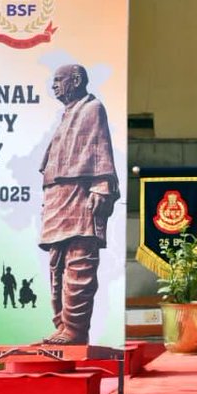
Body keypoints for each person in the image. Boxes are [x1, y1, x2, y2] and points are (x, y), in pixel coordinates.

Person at [37, 64, 120, 345]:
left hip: (81, 193)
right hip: (58, 195)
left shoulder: (92, 108)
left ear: (76, 80)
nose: (54, 86)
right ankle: (62, 325)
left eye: (59, 80)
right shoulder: (68, 113)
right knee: (56, 263)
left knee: (80, 261)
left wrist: (101, 185)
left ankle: (75, 328)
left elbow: (100, 149)